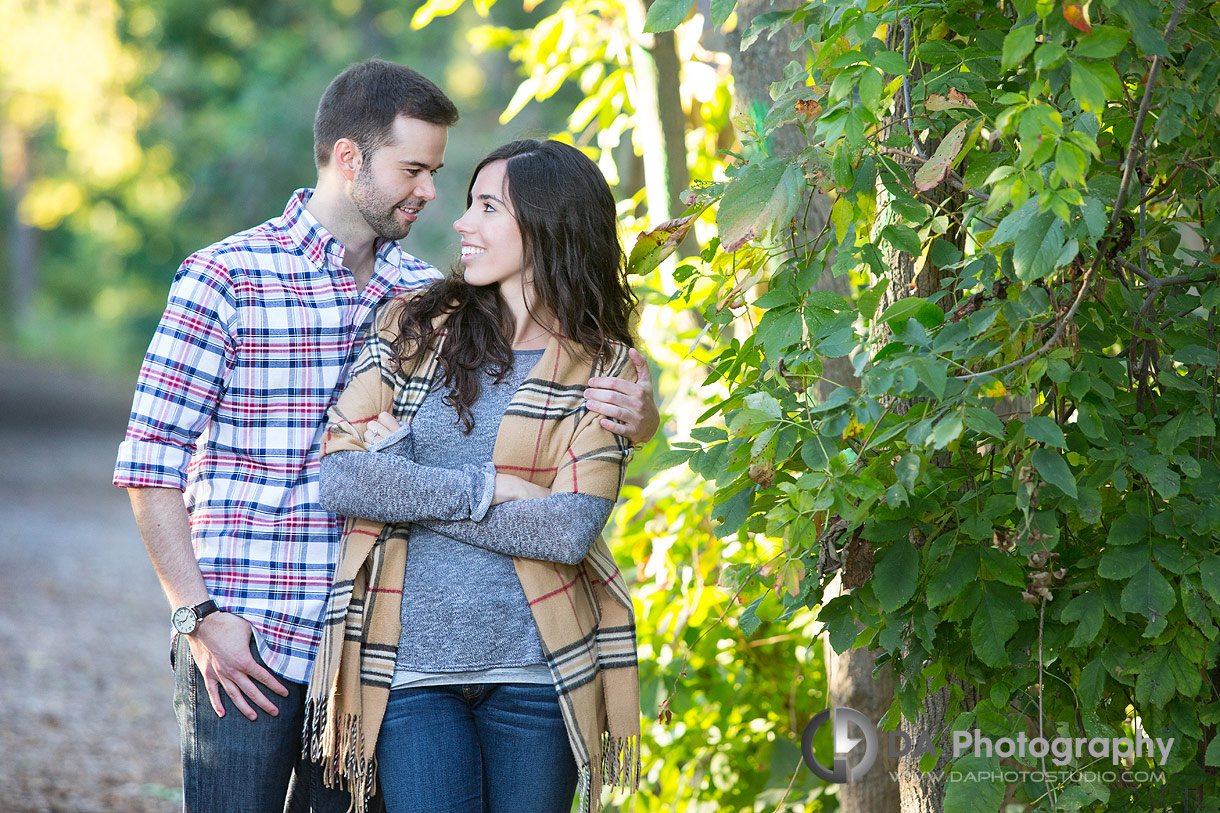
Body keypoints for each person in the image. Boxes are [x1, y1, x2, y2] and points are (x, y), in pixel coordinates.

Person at [113, 60, 657, 812]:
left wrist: (641, 414)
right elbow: (149, 464)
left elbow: (556, 397)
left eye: (438, 172)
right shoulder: (227, 277)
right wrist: (198, 615)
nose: (432, 192)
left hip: (362, 645)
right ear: (349, 158)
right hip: (250, 635)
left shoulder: (422, 295)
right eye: (415, 169)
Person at [303, 139, 643, 813]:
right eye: (470, 205)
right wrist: (488, 487)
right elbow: (343, 478)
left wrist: (407, 477)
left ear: (549, 226)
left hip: (537, 673)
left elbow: (568, 529)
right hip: (408, 672)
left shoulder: (606, 369)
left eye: (488, 207)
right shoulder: (414, 327)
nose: (462, 224)